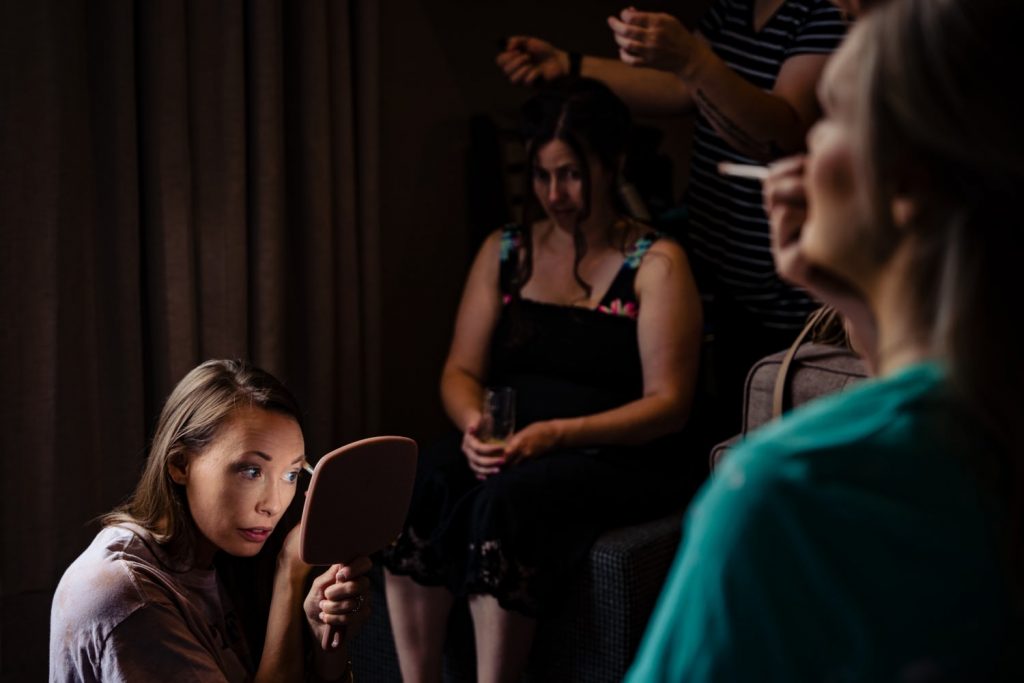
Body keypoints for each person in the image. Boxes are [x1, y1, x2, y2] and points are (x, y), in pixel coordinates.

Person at [626, 0, 1024, 679]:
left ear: (904, 184)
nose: (808, 145)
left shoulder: (787, 489)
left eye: (832, 117)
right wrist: (848, 292)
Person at [382, 77, 703, 683]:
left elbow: (669, 405)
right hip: (517, 441)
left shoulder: (656, 263)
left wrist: (557, 434)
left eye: (574, 174)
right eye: (543, 175)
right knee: (420, 480)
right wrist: (474, 424)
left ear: (613, 164)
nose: (557, 194)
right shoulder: (506, 252)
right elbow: (460, 370)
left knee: (503, 505)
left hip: (616, 452)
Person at [497, 1, 847, 444]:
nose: (554, 193)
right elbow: (682, 88)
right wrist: (569, 64)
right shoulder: (733, 9)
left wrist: (693, 59)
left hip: (794, 292)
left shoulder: (820, 13)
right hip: (726, 274)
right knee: (732, 436)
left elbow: (780, 131)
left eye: (568, 174)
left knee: (783, 442)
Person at [50, 359, 372, 682]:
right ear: (179, 465)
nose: (273, 504)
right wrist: (289, 575)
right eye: (251, 471)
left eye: (291, 474)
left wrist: (325, 648)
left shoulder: (219, 560)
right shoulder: (130, 598)